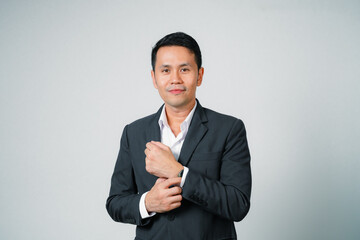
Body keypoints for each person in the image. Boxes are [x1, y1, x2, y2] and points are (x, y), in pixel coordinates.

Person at [106, 32, 251, 240]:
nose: (175, 79)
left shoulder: (229, 129)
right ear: (154, 78)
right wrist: (147, 203)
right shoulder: (133, 132)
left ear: (199, 75)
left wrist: (179, 173)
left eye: (184, 69)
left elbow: (238, 205)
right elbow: (115, 203)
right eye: (165, 70)